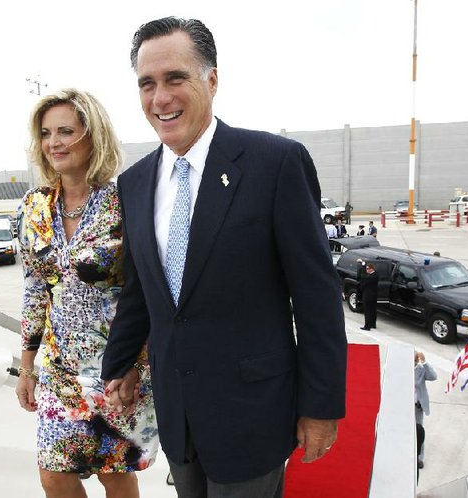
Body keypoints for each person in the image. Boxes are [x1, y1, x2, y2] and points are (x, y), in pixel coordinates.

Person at [101, 17, 347, 498]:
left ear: (211, 80)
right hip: (179, 417)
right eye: (147, 84)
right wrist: (120, 364)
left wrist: (321, 406)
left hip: (252, 414)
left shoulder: (275, 163)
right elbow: (141, 291)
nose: (160, 98)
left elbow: (317, 296)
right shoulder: (133, 184)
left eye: (176, 78)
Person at [15, 88, 159, 498]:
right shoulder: (34, 206)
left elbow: (145, 289)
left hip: (116, 362)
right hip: (60, 368)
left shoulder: (123, 202)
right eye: (45, 133)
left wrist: (133, 363)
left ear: (92, 136)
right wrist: (28, 368)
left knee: (113, 471)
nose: (53, 142)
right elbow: (35, 289)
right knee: (53, 472)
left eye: (65, 131)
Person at [414, 350, 437, 469]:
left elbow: (434, 376)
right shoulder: (402, 368)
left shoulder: (421, 369)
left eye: (415, 360)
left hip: (417, 407)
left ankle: (419, 458)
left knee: (419, 430)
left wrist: (425, 362)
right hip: (405, 405)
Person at [358, 260, 378, 331]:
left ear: (371, 269)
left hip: (368, 296)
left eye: (367, 269)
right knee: (372, 311)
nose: (366, 270)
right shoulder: (375, 274)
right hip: (373, 296)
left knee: (368, 311)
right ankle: (372, 324)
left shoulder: (371, 277)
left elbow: (362, 276)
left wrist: (363, 266)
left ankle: (367, 326)